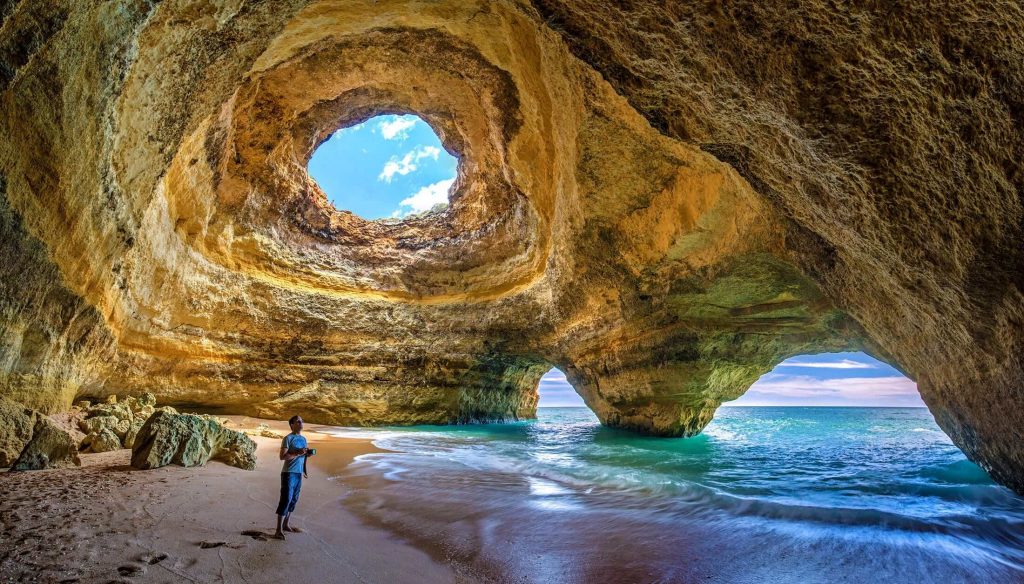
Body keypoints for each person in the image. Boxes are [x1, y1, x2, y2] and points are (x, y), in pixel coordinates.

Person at [274, 415, 310, 540]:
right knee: (286, 499)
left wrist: (304, 469)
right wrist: (297, 453)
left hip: (298, 473)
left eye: (302, 421)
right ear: (292, 425)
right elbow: (282, 456)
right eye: (298, 421)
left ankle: (286, 524)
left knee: (294, 499)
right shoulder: (287, 438)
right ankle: (278, 530)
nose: (301, 423)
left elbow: (303, 457)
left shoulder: (304, 439)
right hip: (288, 472)